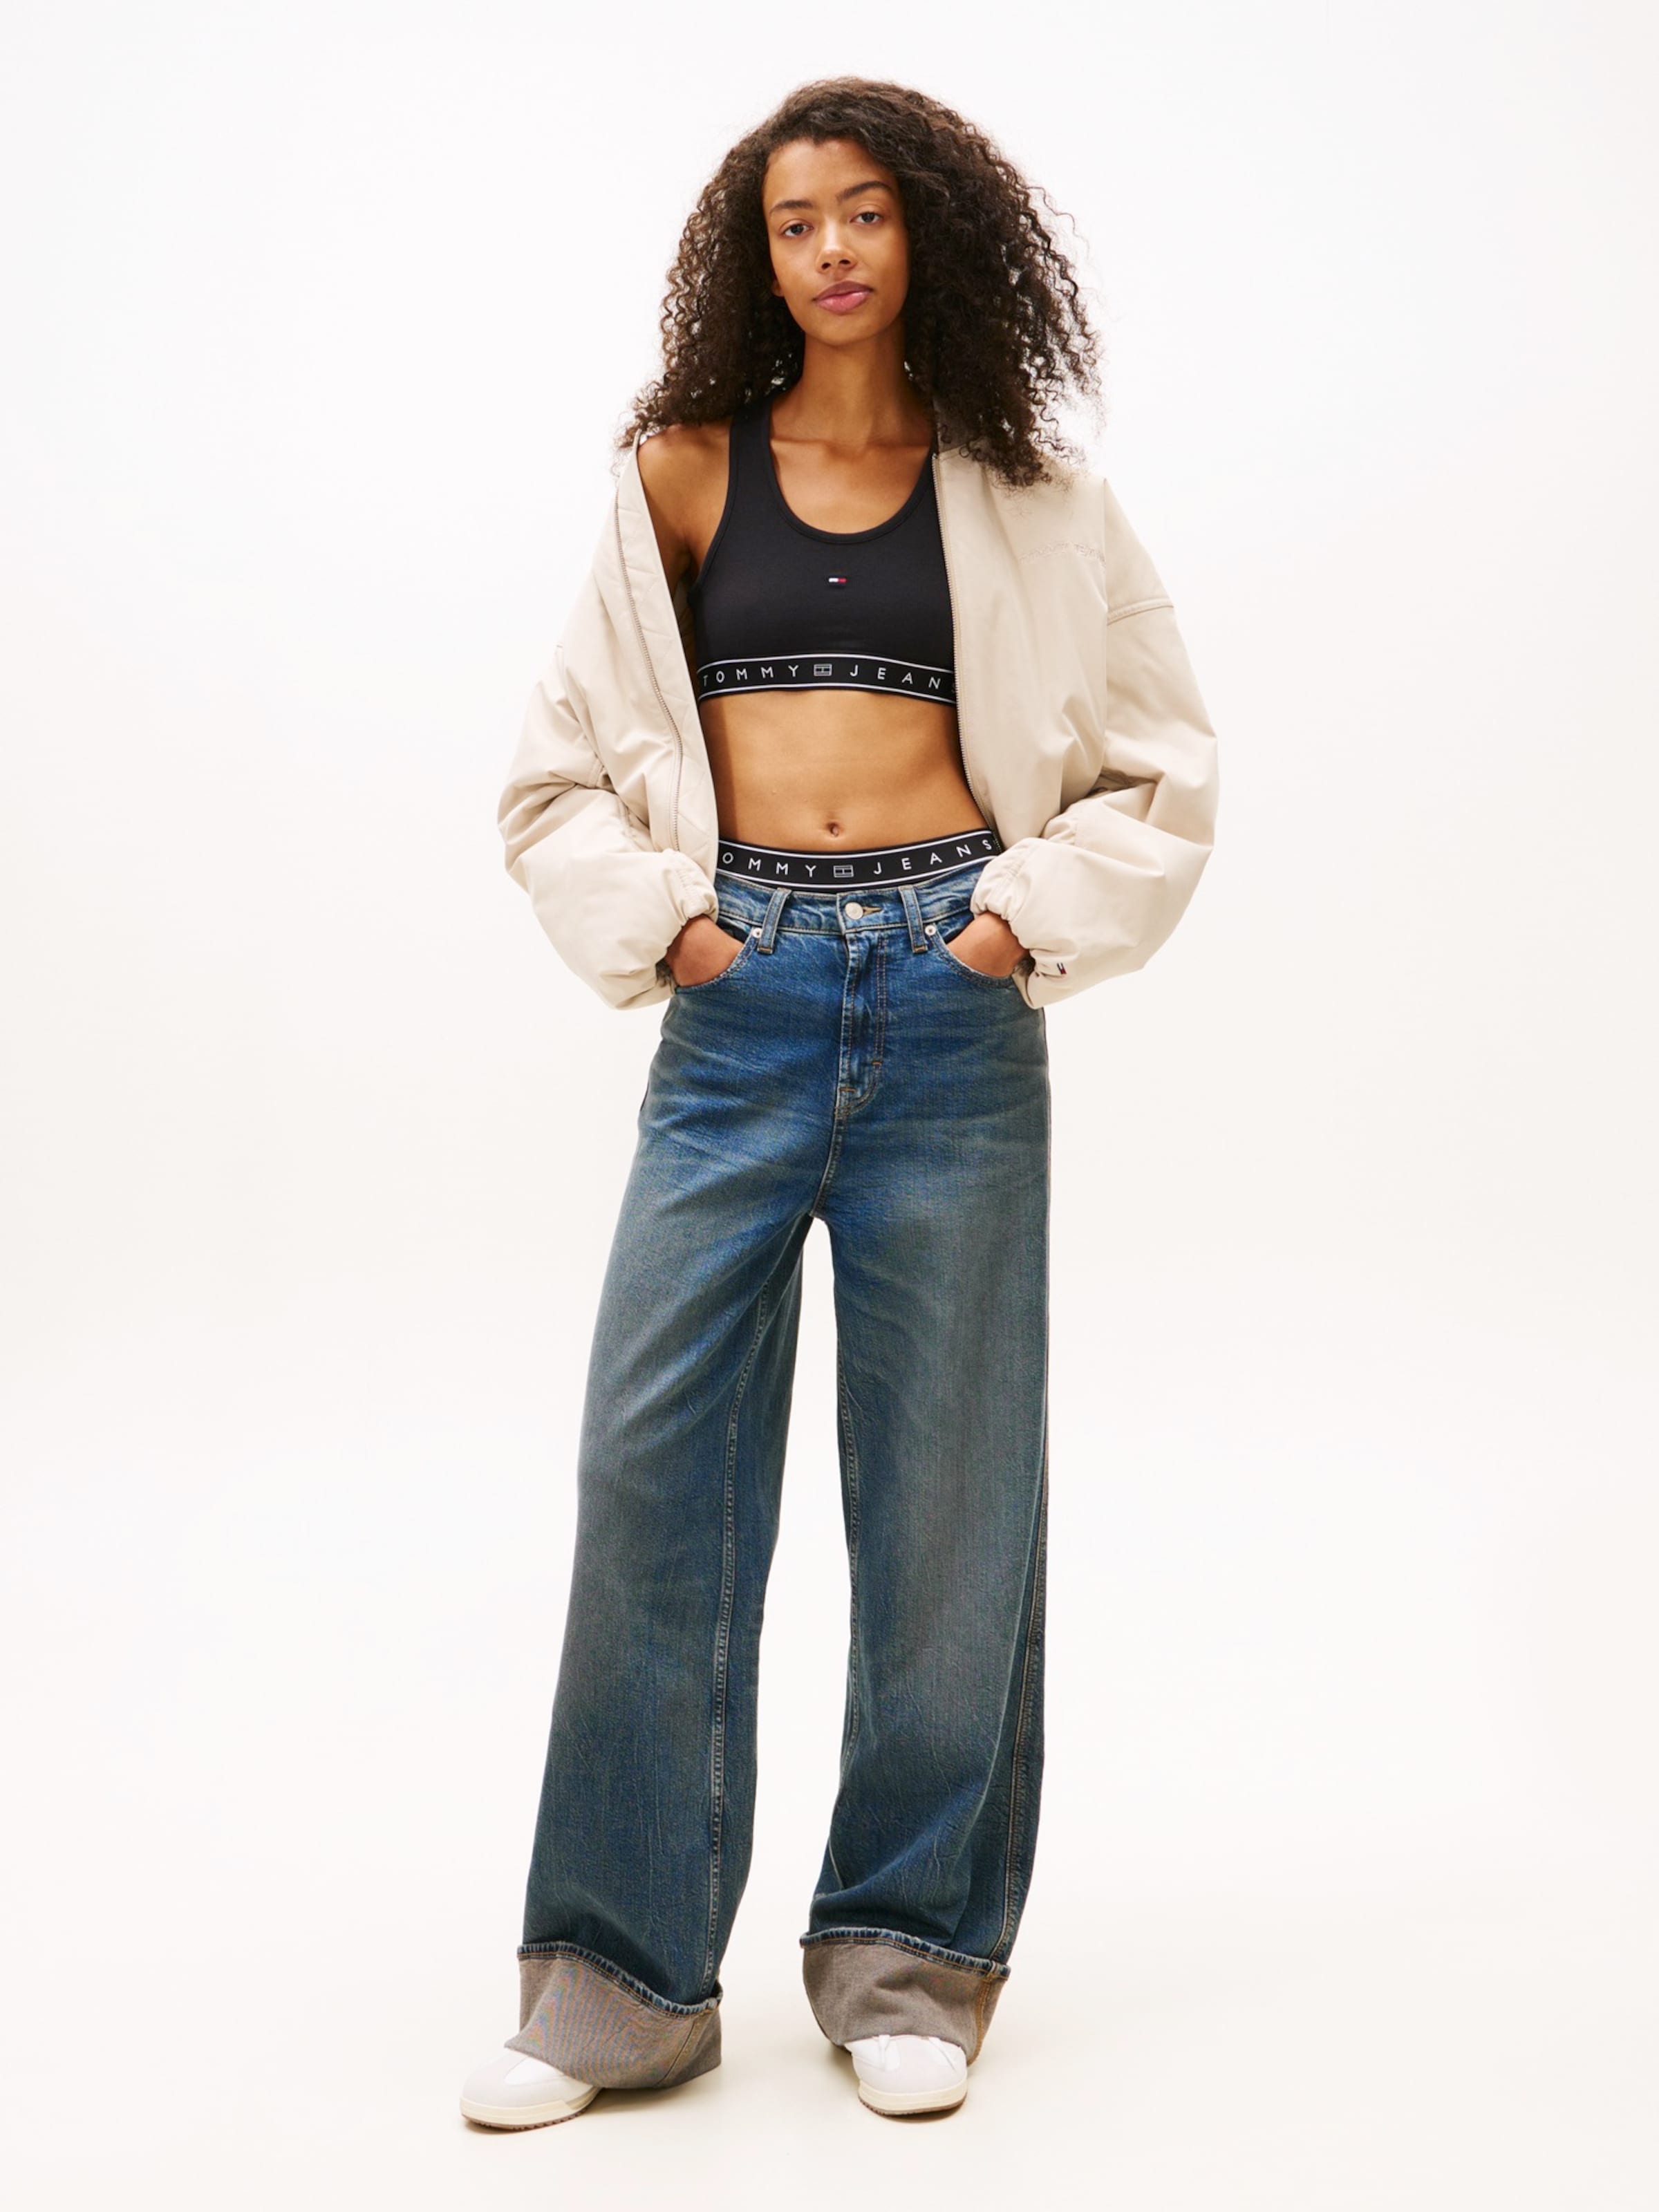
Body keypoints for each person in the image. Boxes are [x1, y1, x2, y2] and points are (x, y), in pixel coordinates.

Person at [460, 75, 1219, 2130]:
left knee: (951, 1499)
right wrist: (680, 936)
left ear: (930, 232)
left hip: (954, 1011)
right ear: (758, 253)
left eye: (867, 212)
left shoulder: (1038, 496)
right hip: (741, 1009)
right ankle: (618, 1983)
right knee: (654, 1478)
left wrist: (1015, 924)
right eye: (797, 221)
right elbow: (550, 781)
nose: (834, 251)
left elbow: (1162, 767)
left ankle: (910, 1951)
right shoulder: (681, 474)